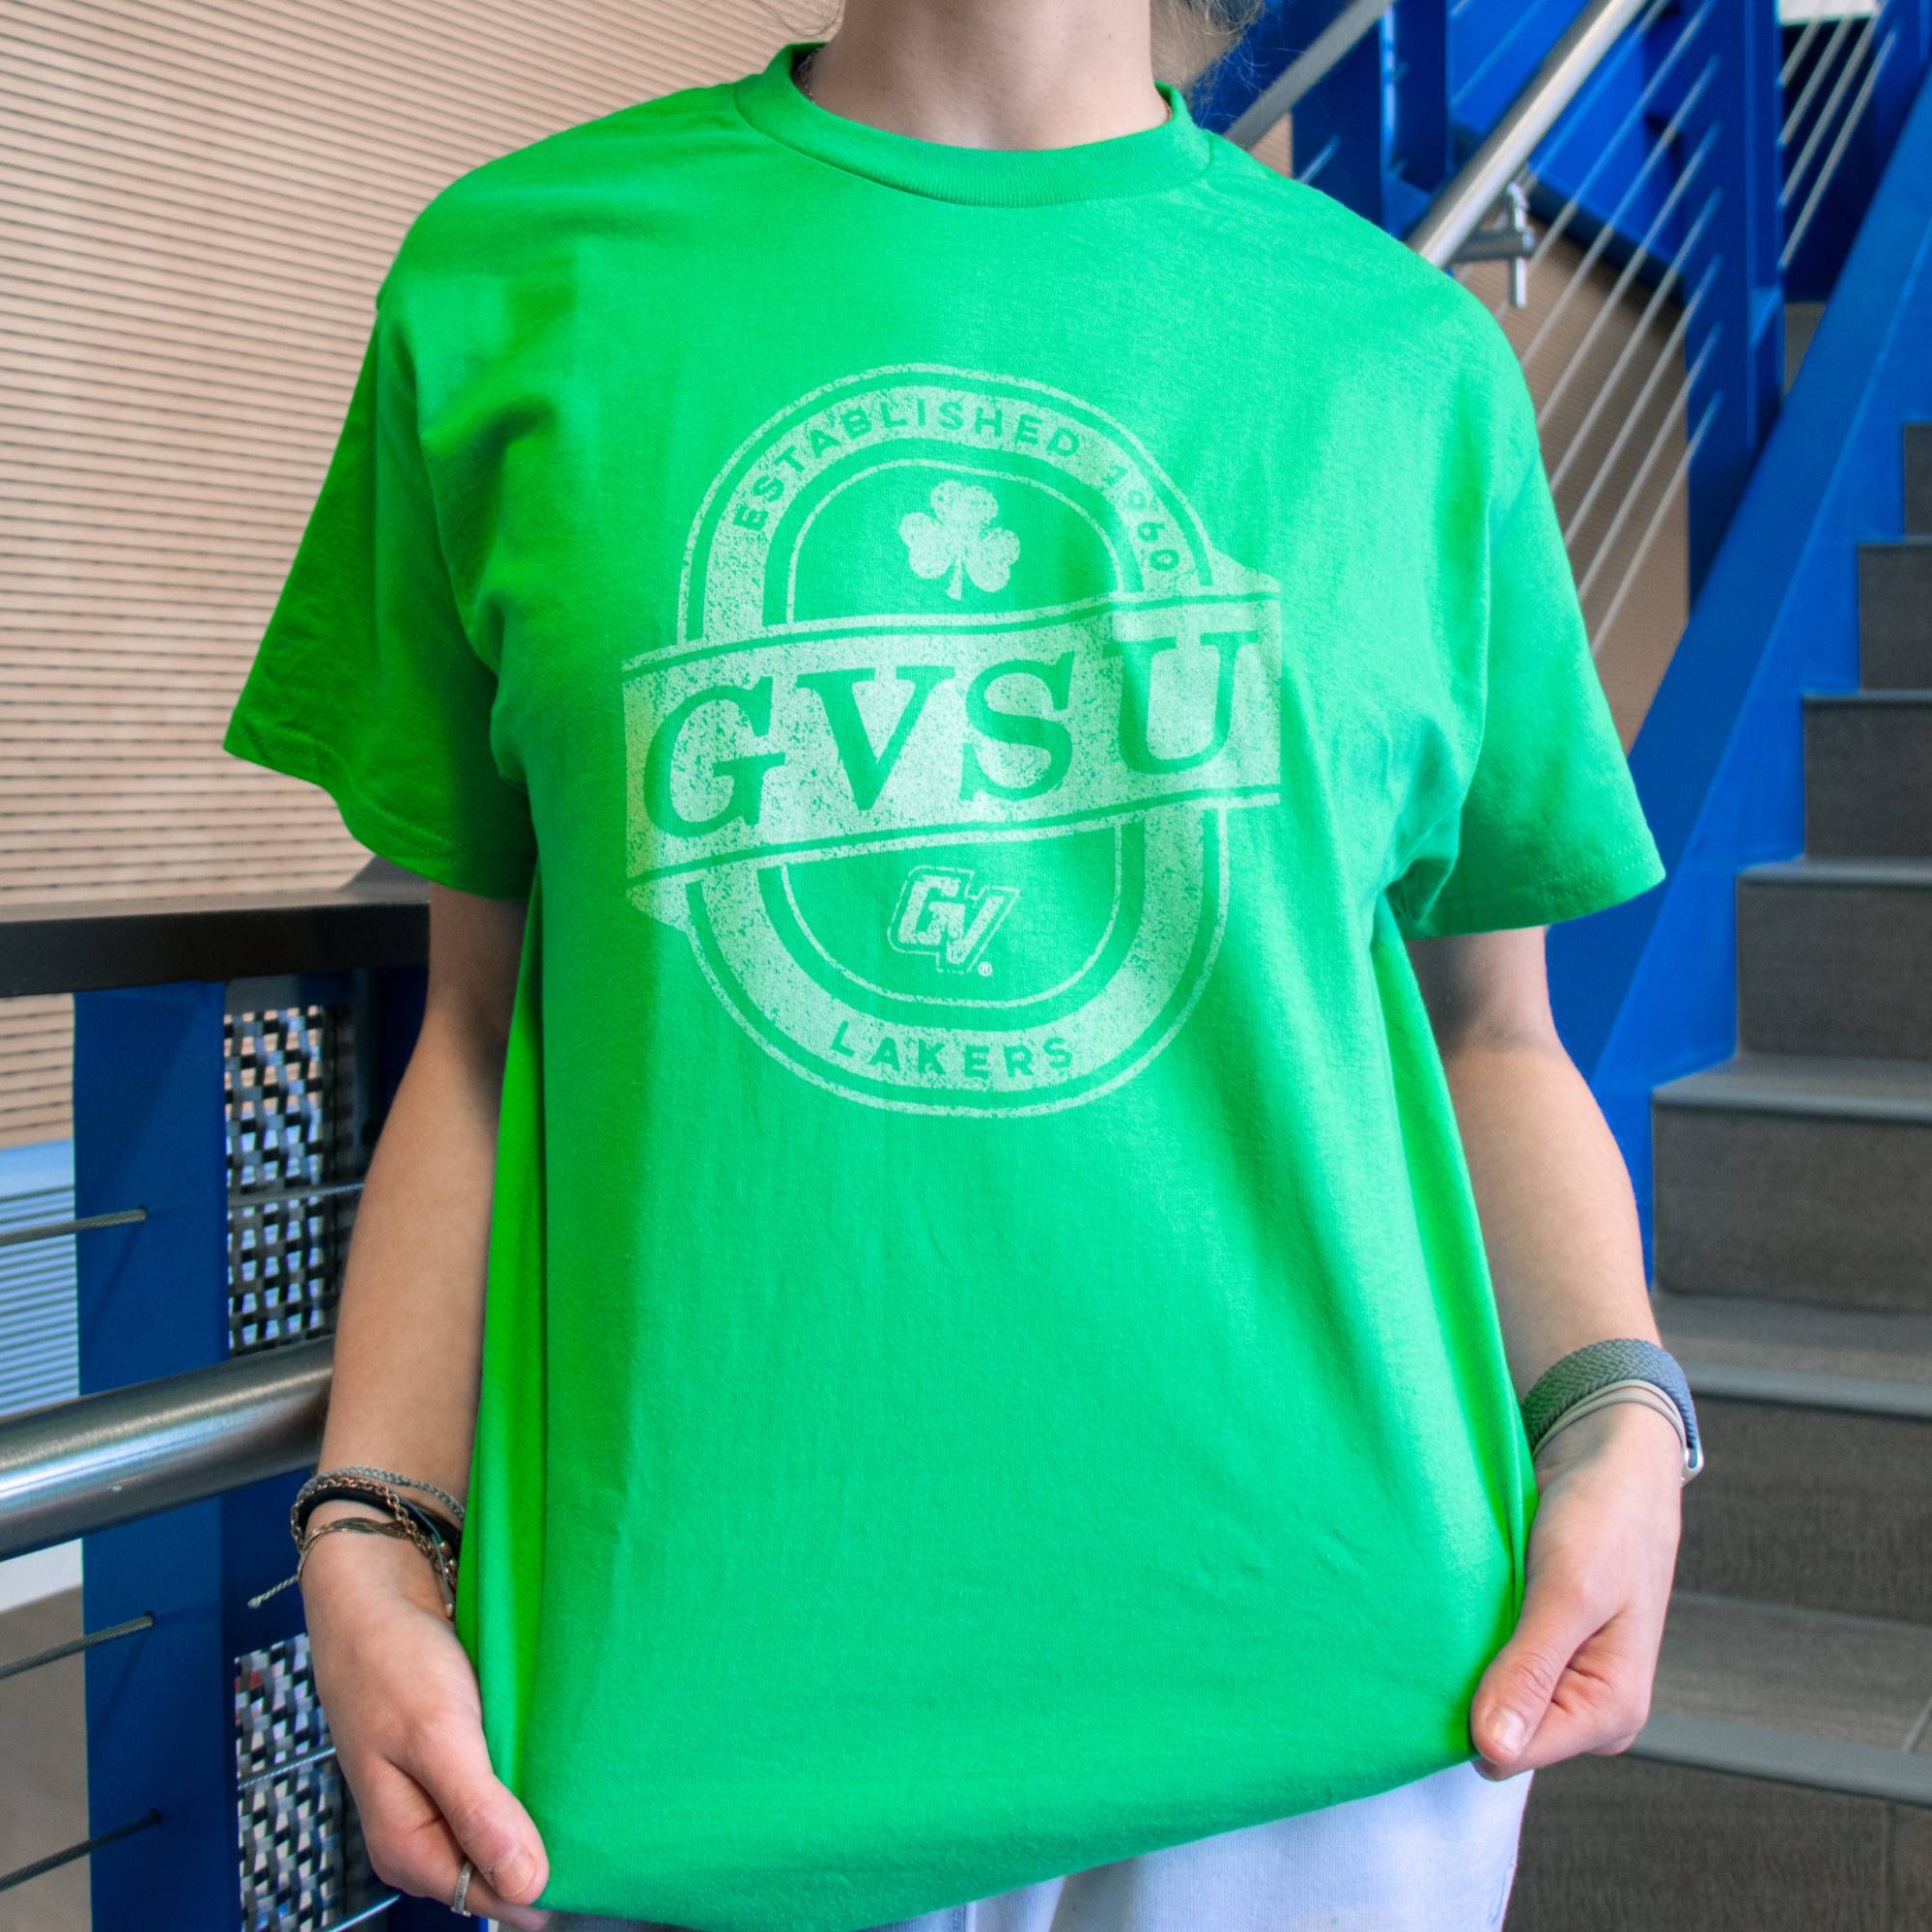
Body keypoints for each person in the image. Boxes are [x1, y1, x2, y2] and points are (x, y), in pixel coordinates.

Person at [222, 3, 1698, 1928]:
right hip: (707, 1717)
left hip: (1346, 1693)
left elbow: (1492, 1031)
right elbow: (484, 1040)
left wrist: (1621, 1415)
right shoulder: (516, 276)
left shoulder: (1403, 360)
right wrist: (369, 1526)